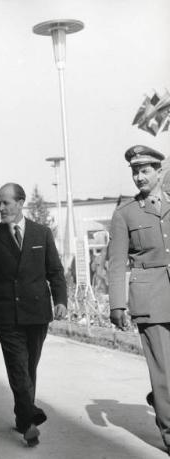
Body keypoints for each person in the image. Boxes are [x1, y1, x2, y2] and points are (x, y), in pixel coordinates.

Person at [0, 182, 66, 447]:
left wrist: (61, 301)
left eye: (6, 202)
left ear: (20, 202)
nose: (1, 208)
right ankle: (30, 422)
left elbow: (55, 271)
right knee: (17, 367)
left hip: (37, 313)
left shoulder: (42, 233)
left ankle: (22, 415)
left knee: (28, 368)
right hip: (6, 315)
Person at [107, 145, 170, 452]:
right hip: (151, 300)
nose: (140, 176)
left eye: (146, 170)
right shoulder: (125, 214)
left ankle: (160, 400)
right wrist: (117, 304)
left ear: (160, 171)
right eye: (135, 171)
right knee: (164, 373)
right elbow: (117, 262)